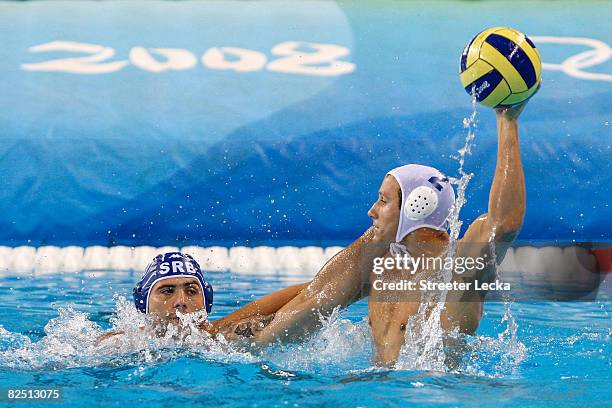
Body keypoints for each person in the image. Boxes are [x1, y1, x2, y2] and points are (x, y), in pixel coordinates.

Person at [102, 102, 527, 368]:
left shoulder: (461, 268)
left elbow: (503, 222)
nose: (372, 210)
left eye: (383, 201)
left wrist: (507, 119)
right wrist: (211, 339)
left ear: (415, 208)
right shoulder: (378, 266)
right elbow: (307, 303)